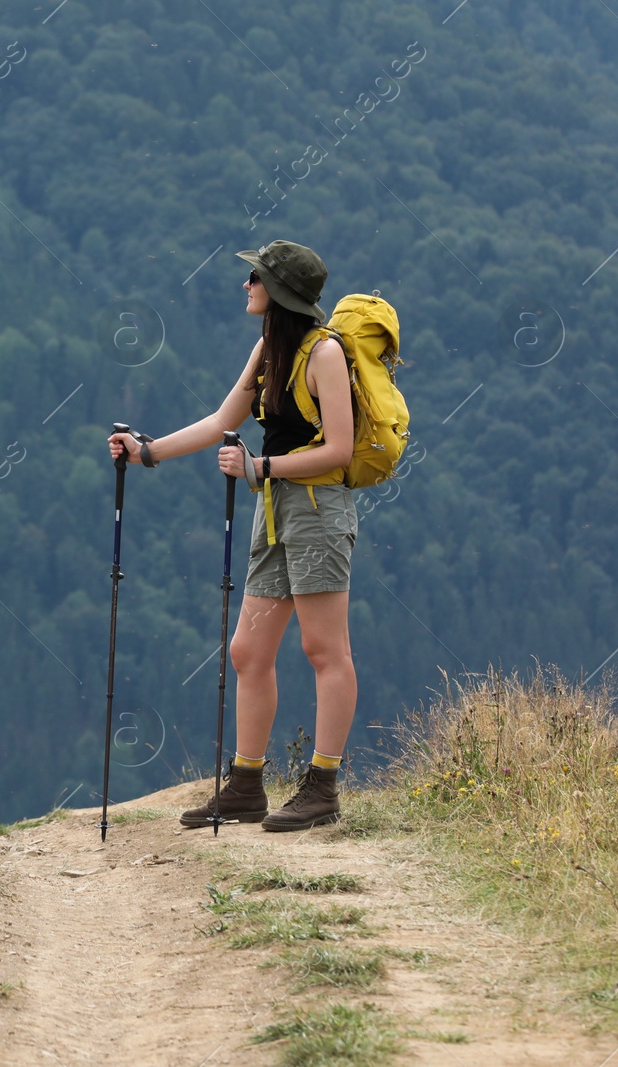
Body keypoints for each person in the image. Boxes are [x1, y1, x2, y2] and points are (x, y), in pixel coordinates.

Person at [107, 240, 357, 831]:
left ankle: (322, 787)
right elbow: (223, 422)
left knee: (325, 650)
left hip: (318, 511)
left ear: (281, 291)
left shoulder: (324, 354)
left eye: (255, 276)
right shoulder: (270, 349)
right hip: (273, 509)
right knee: (249, 652)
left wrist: (260, 469)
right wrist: (148, 454)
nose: (246, 284)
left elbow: (340, 449)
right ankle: (247, 785)